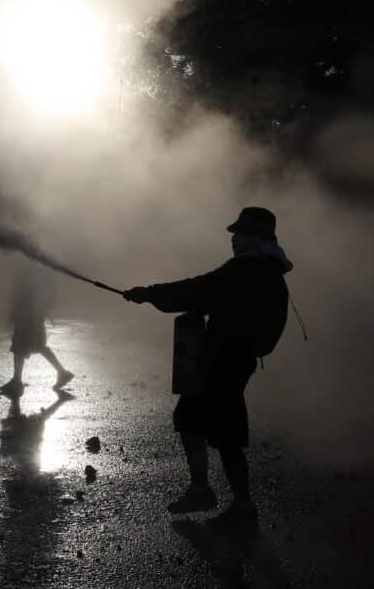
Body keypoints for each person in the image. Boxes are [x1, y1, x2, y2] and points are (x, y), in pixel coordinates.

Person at [123, 206, 292, 526]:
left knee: (224, 434)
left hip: (224, 362)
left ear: (255, 237)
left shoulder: (245, 270)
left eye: (239, 234)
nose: (234, 240)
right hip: (230, 361)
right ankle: (204, 490)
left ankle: (240, 505)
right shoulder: (267, 271)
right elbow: (214, 298)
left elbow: (197, 289)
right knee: (191, 419)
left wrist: (147, 294)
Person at [0, 267, 75, 396]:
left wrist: (16, 311)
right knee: (37, 346)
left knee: (20, 347)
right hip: (33, 315)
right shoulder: (42, 272)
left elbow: (26, 293)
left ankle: (17, 381)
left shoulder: (35, 272)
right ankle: (62, 372)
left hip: (28, 315)